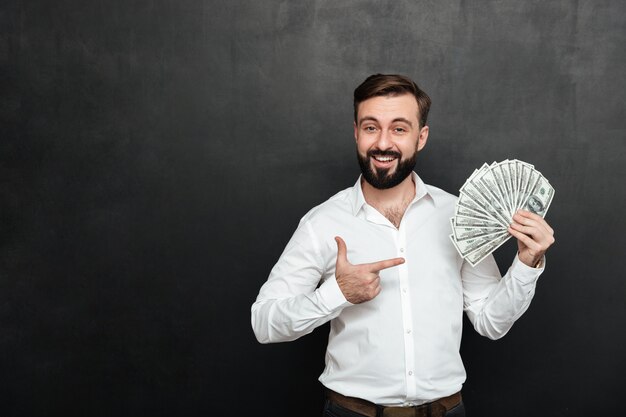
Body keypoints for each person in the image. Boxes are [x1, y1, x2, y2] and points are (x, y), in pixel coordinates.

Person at [251, 74, 555, 417]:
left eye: (399, 128)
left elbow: (491, 321)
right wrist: (336, 293)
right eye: (370, 128)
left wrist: (528, 262)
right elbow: (264, 324)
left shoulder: (459, 216)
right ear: (356, 132)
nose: (383, 143)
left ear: (420, 136)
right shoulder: (321, 223)